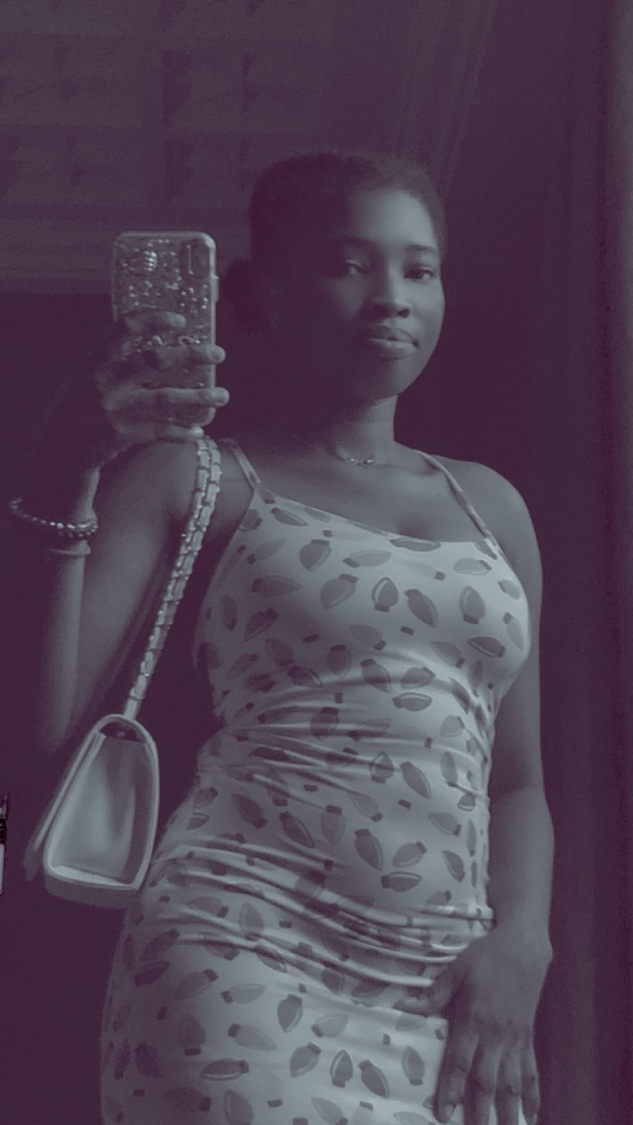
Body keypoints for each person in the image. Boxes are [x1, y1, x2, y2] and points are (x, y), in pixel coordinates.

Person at [10, 149, 554, 1125]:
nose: (391, 296)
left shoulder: (493, 508)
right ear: (265, 295)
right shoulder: (195, 477)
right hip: (240, 955)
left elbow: (515, 782)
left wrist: (525, 941)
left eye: (419, 269)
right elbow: (36, 733)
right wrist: (68, 463)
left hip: (446, 987)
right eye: (349, 264)